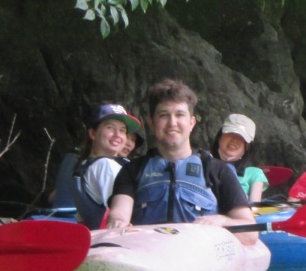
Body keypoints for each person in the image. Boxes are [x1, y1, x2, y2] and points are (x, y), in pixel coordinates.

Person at [106, 79, 257, 230]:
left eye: (179, 114)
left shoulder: (218, 171)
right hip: (149, 250)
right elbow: (119, 213)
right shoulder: (132, 171)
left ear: (191, 123)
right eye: (164, 115)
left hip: (198, 251)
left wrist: (223, 221)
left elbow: (250, 232)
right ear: (151, 124)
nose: (172, 123)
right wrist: (118, 221)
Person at [72, 103, 143, 229]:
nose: (117, 135)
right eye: (110, 128)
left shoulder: (84, 164)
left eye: (122, 130)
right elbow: (127, 213)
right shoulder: (105, 166)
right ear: (93, 133)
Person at [213, 113, 268, 203]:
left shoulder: (254, 174)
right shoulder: (204, 163)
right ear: (220, 137)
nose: (235, 140)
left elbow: (254, 209)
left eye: (242, 137)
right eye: (231, 134)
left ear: (247, 147)